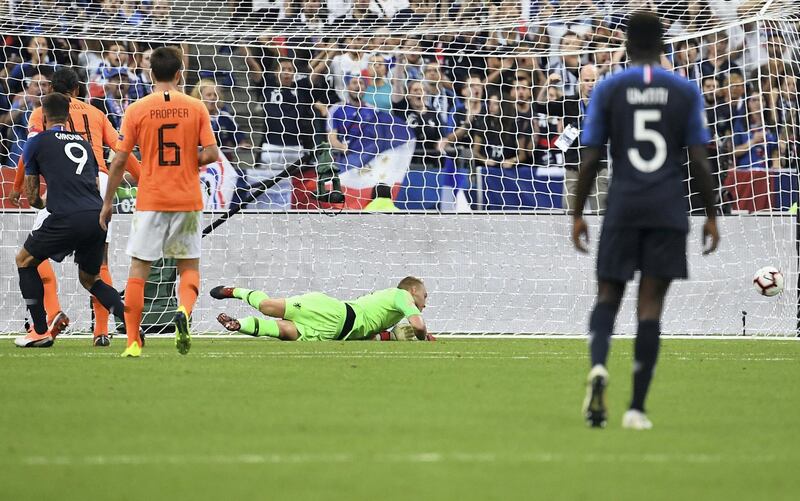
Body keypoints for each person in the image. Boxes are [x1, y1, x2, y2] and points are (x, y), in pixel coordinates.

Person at [572, 12, 720, 430]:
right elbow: (699, 160)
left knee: (607, 296)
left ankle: (599, 366)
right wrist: (711, 215)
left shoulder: (608, 88)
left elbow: (591, 159)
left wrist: (578, 213)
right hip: (668, 209)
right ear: (663, 44)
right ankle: (635, 408)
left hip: (623, 206)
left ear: (626, 44)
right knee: (650, 306)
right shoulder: (685, 91)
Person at [9, 67, 141, 346]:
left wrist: (18, 186)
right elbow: (121, 149)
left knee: (29, 256)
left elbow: (27, 155)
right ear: (77, 90)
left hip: (64, 188)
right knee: (96, 267)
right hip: (99, 184)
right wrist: (144, 180)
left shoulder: (39, 114)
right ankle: (102, 331)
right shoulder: (96, 113)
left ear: (50, 94)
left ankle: (50, 314)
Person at [101, 46, 219, 358]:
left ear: (150, 74)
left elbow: (119, 159)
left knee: (139, 268)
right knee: (188, 265)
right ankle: (183, 309)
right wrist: (184, 159)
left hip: (151, 199)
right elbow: (211, 153)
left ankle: (132, 343)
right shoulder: (196, 107)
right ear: (180, 74)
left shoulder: (137, 109)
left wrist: (108, 202)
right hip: (188, 199)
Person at [210, 276, 428, 341]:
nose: (425, 303)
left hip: (335, 333)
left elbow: (368, 335)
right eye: (424, 296)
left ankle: (239, 325)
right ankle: (234, 291)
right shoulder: (402, 295)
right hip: (333, 312)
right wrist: (425, 338)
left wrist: (391, 337)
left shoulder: (390, 314)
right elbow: (418, 325)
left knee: (284, 331)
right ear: (414, 290)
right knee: (268, 306)